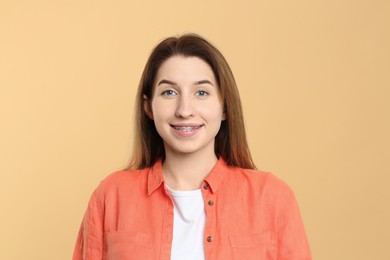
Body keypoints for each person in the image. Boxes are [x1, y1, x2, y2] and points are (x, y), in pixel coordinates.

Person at [72, 34, 312, 260]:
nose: (184, 110)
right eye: (169, 92)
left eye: (201, 92)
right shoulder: (111, 196)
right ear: (148, 107)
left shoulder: (272, 198)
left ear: (225, 107)